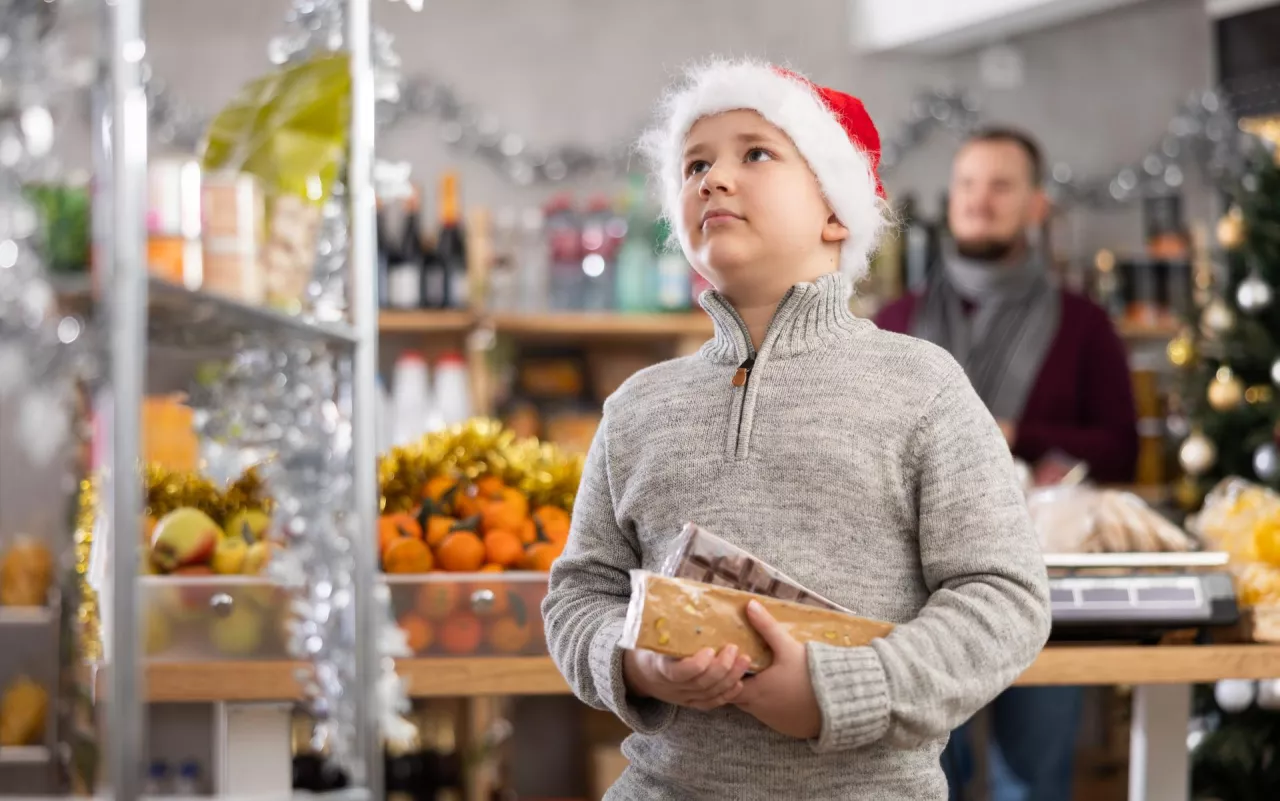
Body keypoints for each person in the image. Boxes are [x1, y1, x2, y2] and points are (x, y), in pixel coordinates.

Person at [542, 58, 1051, 801]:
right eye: (694, 164)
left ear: (837, 211)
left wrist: (844, 690)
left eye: (755, 153)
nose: (712, 179)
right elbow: (578, 595)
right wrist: (635, 662)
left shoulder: (924, 386)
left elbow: (1004, 595)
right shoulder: (635, 408)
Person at [875, 128, 1139, 801]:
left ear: (1036, 205)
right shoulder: (896, 319)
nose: (979, 201)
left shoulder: (1084, 324)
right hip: (916, 590)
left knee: (1037, 779)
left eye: (1000, 185)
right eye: (967, 184)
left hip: (1045, 584)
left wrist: (1017, 433)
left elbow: (1122, 446)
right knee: (928, 774)